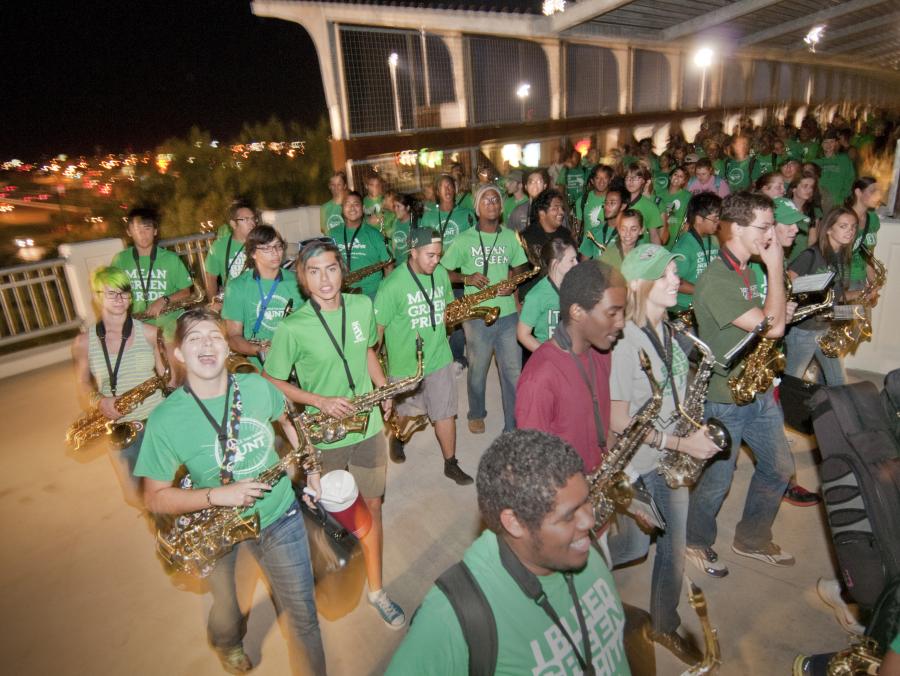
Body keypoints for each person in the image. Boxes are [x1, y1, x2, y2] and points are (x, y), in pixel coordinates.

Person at [136, 308, 326, 675]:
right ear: (178, 354)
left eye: (214, 336)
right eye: (194, 338)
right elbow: (154, 496)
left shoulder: (256, 387)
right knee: (228, 610)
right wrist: (216, 496)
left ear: (227, 348)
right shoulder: (165, 420)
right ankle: (227, 641)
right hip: (221, 532)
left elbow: (289, 420)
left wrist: (312, 467)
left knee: (303, 618)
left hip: (280, 517)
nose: (206, 344)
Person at [386, 429, 630, 676]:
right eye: (568, 516)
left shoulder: (579, 544)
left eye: (586, 501)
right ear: (514, 523)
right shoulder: (453, 616)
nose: (589, 521)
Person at [264, 238, 406, 629]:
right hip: (324, 436)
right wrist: (318, 400)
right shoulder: (292, 327)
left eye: (331, 268)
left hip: (368, 427)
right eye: (314, 272)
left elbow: (366, 351)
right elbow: (272, 380)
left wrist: (382, 391)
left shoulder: (362, 306)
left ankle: (376, 590)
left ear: (342, 269)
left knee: (372, 508)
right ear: (303, 279)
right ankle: (334, 575)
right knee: (332, 516)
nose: (325, 279)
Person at [607, 244, 721, 665]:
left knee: (667, 547)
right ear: (639, 284)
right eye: (666, 274)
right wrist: (680, 444)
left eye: (676, 271)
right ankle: (568, 571)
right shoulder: (624, 343)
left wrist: (693, 424)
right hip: (640, 464)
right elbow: (619, 421)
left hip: (670, 453)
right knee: (634, 548)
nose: (676, 280)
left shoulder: (669, 329)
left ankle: (662, 622)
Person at [685, 191, 797, 577]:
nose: (772, 233)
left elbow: (769, 317)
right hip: (724, 399)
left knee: (780, 468)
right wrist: (776, 266)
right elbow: (775, 326)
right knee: (717, 482)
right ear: (735, 228)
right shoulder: (716, 280)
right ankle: (696, 540)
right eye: (764, 226)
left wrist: (777, 301)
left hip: (758, 389)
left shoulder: (748, 270)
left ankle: (750, 537)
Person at [374, 227, 473, 484]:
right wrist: (375, 372)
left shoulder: (439, 274)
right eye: (430, 255)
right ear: (413, 252)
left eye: (439, 254)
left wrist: (455, 316)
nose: (436, 260)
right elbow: (378, 331)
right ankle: (398, 436)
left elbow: (446, 309)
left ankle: (450, 463)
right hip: (405, 365)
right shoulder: (392, 285)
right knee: (404, 412)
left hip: (440, 358)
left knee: (445, 413)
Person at [71, 265, 169, 508]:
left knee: (170, 488)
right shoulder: (83, 342)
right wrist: (99, 401)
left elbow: (168, 379)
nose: (119, 299)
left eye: (124, 293)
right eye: (111, 293)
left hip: (157, 419)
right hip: (119, 425)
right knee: (135, 495)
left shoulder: (150, 333)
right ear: (96, 296)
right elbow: (83, 384)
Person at [516, 259, 626, 473]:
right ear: (577, 312)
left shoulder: (602, 350)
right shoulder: (539, 378)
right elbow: (533, 467)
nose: (621, 323)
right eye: (612, 313)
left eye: (623, 312)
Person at [441, 184, 529, 434]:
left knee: (512, 371)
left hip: (507, 315)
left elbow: (522, 267)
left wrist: (511, 282)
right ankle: (476, 412)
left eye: (495, 200)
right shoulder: (464, 239)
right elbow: (443, 271)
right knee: (478, 369)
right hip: (476, 317)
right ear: (477, 207)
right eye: (486, 200)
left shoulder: (510, 236)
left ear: (501, 207)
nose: (491, 203)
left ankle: (512, 425)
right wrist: (467, 279)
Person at [785, 207, 858, 386]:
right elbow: (786, 285)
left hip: (825, 328)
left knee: (839, 381)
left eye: (853, 226)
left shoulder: (841, 256)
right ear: (828, 229)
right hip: (804, 330)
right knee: (792, 382)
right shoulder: (811, 255)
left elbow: (836, 296)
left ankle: (833, 413)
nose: (850, 230)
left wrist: (860, 297)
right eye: (843, 226)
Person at [221, 225, 304, 372]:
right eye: (266, 248)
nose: (275, 252)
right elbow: (233, 337)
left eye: (278, 246)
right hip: (259, 367)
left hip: (298, 361)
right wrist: (259, 350)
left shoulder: (299, 281)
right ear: (253, 253)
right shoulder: (237, 287)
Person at [420, 173, 476, 370]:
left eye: (450, 185)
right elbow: (421, 246)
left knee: (458, 317)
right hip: (433, 273)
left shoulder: (467, 214)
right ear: (437, 191)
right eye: (443, 186)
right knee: (434, 316)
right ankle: (433, 356)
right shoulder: (428, 217)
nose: (447, 189)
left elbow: (474, 243)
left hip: (459, 275)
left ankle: (457, 358)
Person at [111, 206, 193, 338]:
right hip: (136, 327)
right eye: (137, 230)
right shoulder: (120, 260)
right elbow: (113, 292)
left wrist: (164, 300)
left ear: (155, 231)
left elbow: (186, 292)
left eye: (147, 229)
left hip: (169, 326)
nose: (143, 234)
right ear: (129, 232)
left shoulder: (171, 259)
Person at [516, 234, 578, 352]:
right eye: (572, 260)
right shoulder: (537, 295)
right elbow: (522, 334)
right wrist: (548, 354)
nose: (577, 263)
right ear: (556, 263)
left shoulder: (575, 287)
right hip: (551, 360)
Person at [329, 191, 392, 300]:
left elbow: (389, 266)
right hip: (342, 295)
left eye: (356, 204)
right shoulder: (332, 233)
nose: (352, 208)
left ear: (362, 208)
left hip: (372, 295)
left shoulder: (375, 235)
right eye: (347, 204)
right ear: (342, 208)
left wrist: (386, 293)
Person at [670, 192, 722, 317]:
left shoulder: (713, 239)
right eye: (715, 218)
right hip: (683, 309)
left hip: (706, 306)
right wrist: (703, 291)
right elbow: (674, 280)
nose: (718, 222)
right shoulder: (684, 246)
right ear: (699, 219)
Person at [204, 199, 257, 304]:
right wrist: (214, 305)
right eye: (246, 219)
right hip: (233, 302)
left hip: (258, 298)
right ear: (233, 224)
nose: (252, 223)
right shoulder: (219, 246)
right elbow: (211, 279)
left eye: (253, 219)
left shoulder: (262, 243)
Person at [846, 176, 882, 291]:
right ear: (858, 192)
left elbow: (868, 255)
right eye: (872, 191)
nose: (878, 195)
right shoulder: (844, 218)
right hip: (844, 280)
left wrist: (873, 284)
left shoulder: (873, 219)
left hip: (861, 280)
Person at [814, 130, 856, 211]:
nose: (828, 145)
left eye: (832, 142)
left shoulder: (844, 160)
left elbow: (850, 178)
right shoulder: (815, 162)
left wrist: (843, 195)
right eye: (825, 142)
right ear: (821, 144)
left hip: (838, 203)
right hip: (819, 205)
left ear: (836, 143)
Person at [580, 186, 625, 260]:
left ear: (623, 206)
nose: (607, 206)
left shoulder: (629, 233)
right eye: (606, 202)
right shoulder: (593, 233)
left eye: (612, 203)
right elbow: (583, 266)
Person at [623, 164, 662, 245]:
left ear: (643, 181)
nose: (631, 181)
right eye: (627, 178)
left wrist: (658, 256)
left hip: (639, 253)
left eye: (636, 178)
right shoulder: (619, 202)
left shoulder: (650, 207)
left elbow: (654, 236)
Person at [656, 165, 692, 247]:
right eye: (675, 174)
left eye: (681, 176)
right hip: (659, 233)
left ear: (684, 181)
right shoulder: (659, 194)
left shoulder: (687, 196)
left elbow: (686, 220)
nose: (677, 178)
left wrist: (668, 218)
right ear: (670, 176)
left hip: (676, 237)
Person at [574, 164, 613, 237]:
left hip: (608, 246)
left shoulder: (615, 200)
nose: (601, 181)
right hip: (587, 246)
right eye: (597, 178)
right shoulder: (582, 200)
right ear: (592, 181)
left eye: (605, 178)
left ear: (610, 180)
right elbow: (576, 228)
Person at [508, 168, 547, 233]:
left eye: (539, 182)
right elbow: (510, 236)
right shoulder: (518, 212)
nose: (535, 185)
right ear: (526, 187)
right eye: (531, 182)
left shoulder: (554, 210)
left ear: (545, 186)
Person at [388, 193, 419, 266]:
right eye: (394, 206)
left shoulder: (417, 223)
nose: (395, 209)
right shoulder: (395, 222)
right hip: (398, 266)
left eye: (398, 206)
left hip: (412, 266)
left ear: (407, 207)